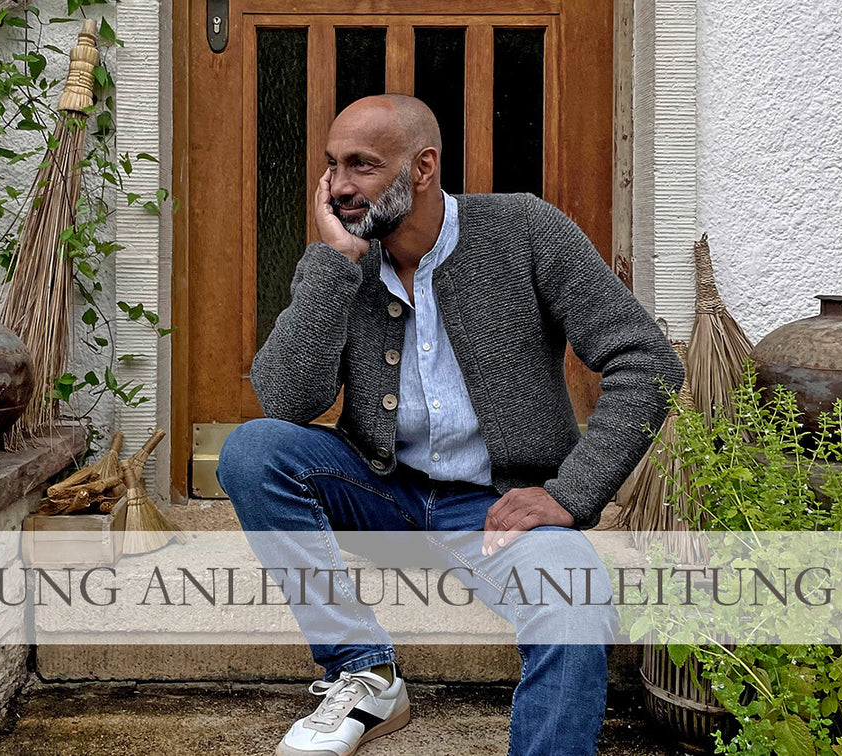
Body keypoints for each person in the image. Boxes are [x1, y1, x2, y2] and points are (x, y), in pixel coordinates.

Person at [216, 94, 684, 756]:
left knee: (575, 606)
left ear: (423, 167)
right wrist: (335, 265)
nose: (340, 185)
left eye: (362, 165)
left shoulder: (523, 229)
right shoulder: (344, 261)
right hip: (383, 492)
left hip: (498, 510)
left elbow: (646, 360)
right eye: (332, 165)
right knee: (253, 451)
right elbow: (286, 401)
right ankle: (364, 672)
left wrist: (570, 493)